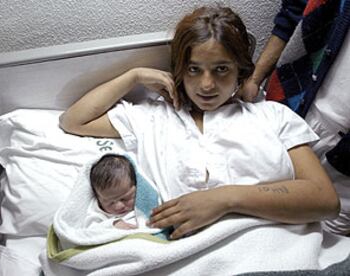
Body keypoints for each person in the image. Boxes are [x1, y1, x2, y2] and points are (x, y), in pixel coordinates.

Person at [60, 5, 339, 240]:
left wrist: (224, 199)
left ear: (240, 71)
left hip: (274, 246)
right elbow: (74, 120)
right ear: (180, 70)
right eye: (194, 69)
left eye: (221, 69)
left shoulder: (273, 117)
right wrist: (134, 76)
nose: (207, 85)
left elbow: (325, 200)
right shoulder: (152, 118)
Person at [239, 0, 350, 235]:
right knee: (267, 223)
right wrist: (254, 79)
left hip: (344, 155)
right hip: (292, 106)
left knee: (325, 239)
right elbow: (292, 14)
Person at [86, 154, 138, 230]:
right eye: (110, 202)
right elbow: (89, 230)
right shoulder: (97, 213)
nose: (119, 206)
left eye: (125, 199)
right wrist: (112, 225)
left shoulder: (145, 201)